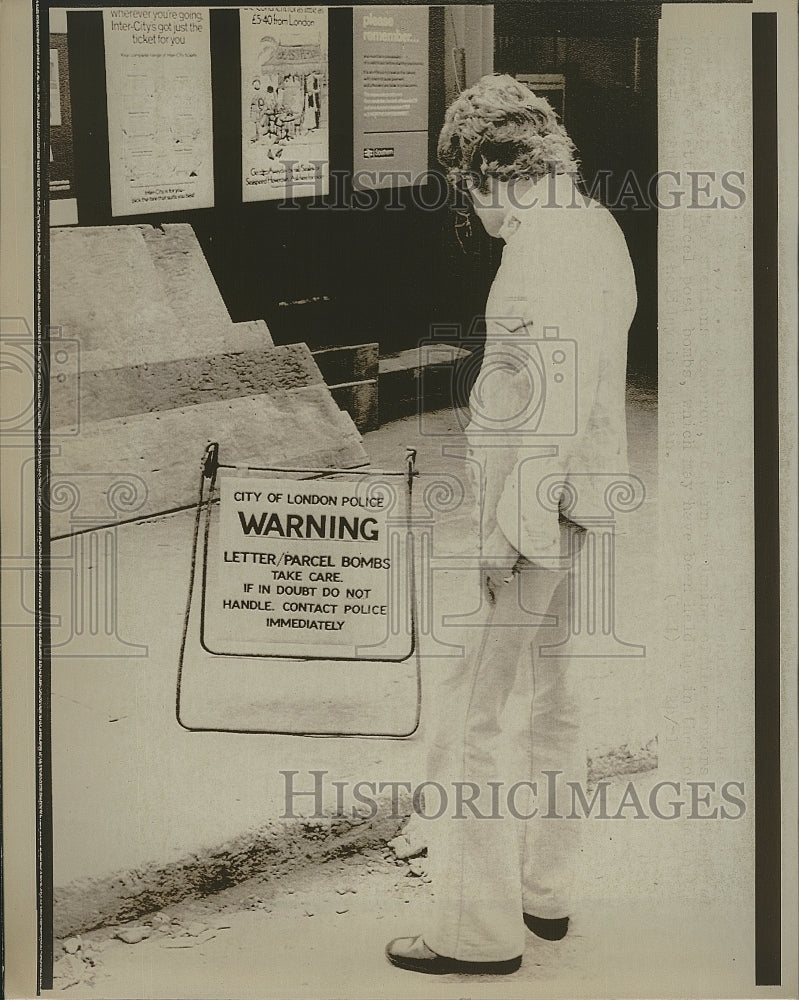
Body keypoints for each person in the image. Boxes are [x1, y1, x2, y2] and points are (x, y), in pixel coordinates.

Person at [385, 74, 637, 975]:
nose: (474, 210)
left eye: (467, 189)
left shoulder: (540, 249)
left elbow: (547, 407)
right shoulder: (595, 226)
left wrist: (505, 534)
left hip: (533, 515)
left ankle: (472, 933)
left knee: (479, 717)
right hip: (581, 504)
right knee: (555, 704)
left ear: (486, 170)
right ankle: (545, 893)